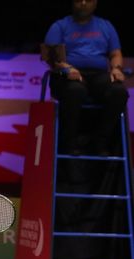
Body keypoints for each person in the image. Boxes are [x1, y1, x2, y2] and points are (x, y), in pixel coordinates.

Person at [44, 0, 128, 155]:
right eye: (78, 0)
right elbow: (50, 57)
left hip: (98, 75)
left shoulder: (106, 26)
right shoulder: (60, 26)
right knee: (75, 90)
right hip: (68, 75)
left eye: (87, 0)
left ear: (95, 3)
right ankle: (69, 142)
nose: (83, 3)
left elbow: (115, 53)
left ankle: (100, 141)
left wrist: (116, 69)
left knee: (119, 92)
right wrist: (66, 68)